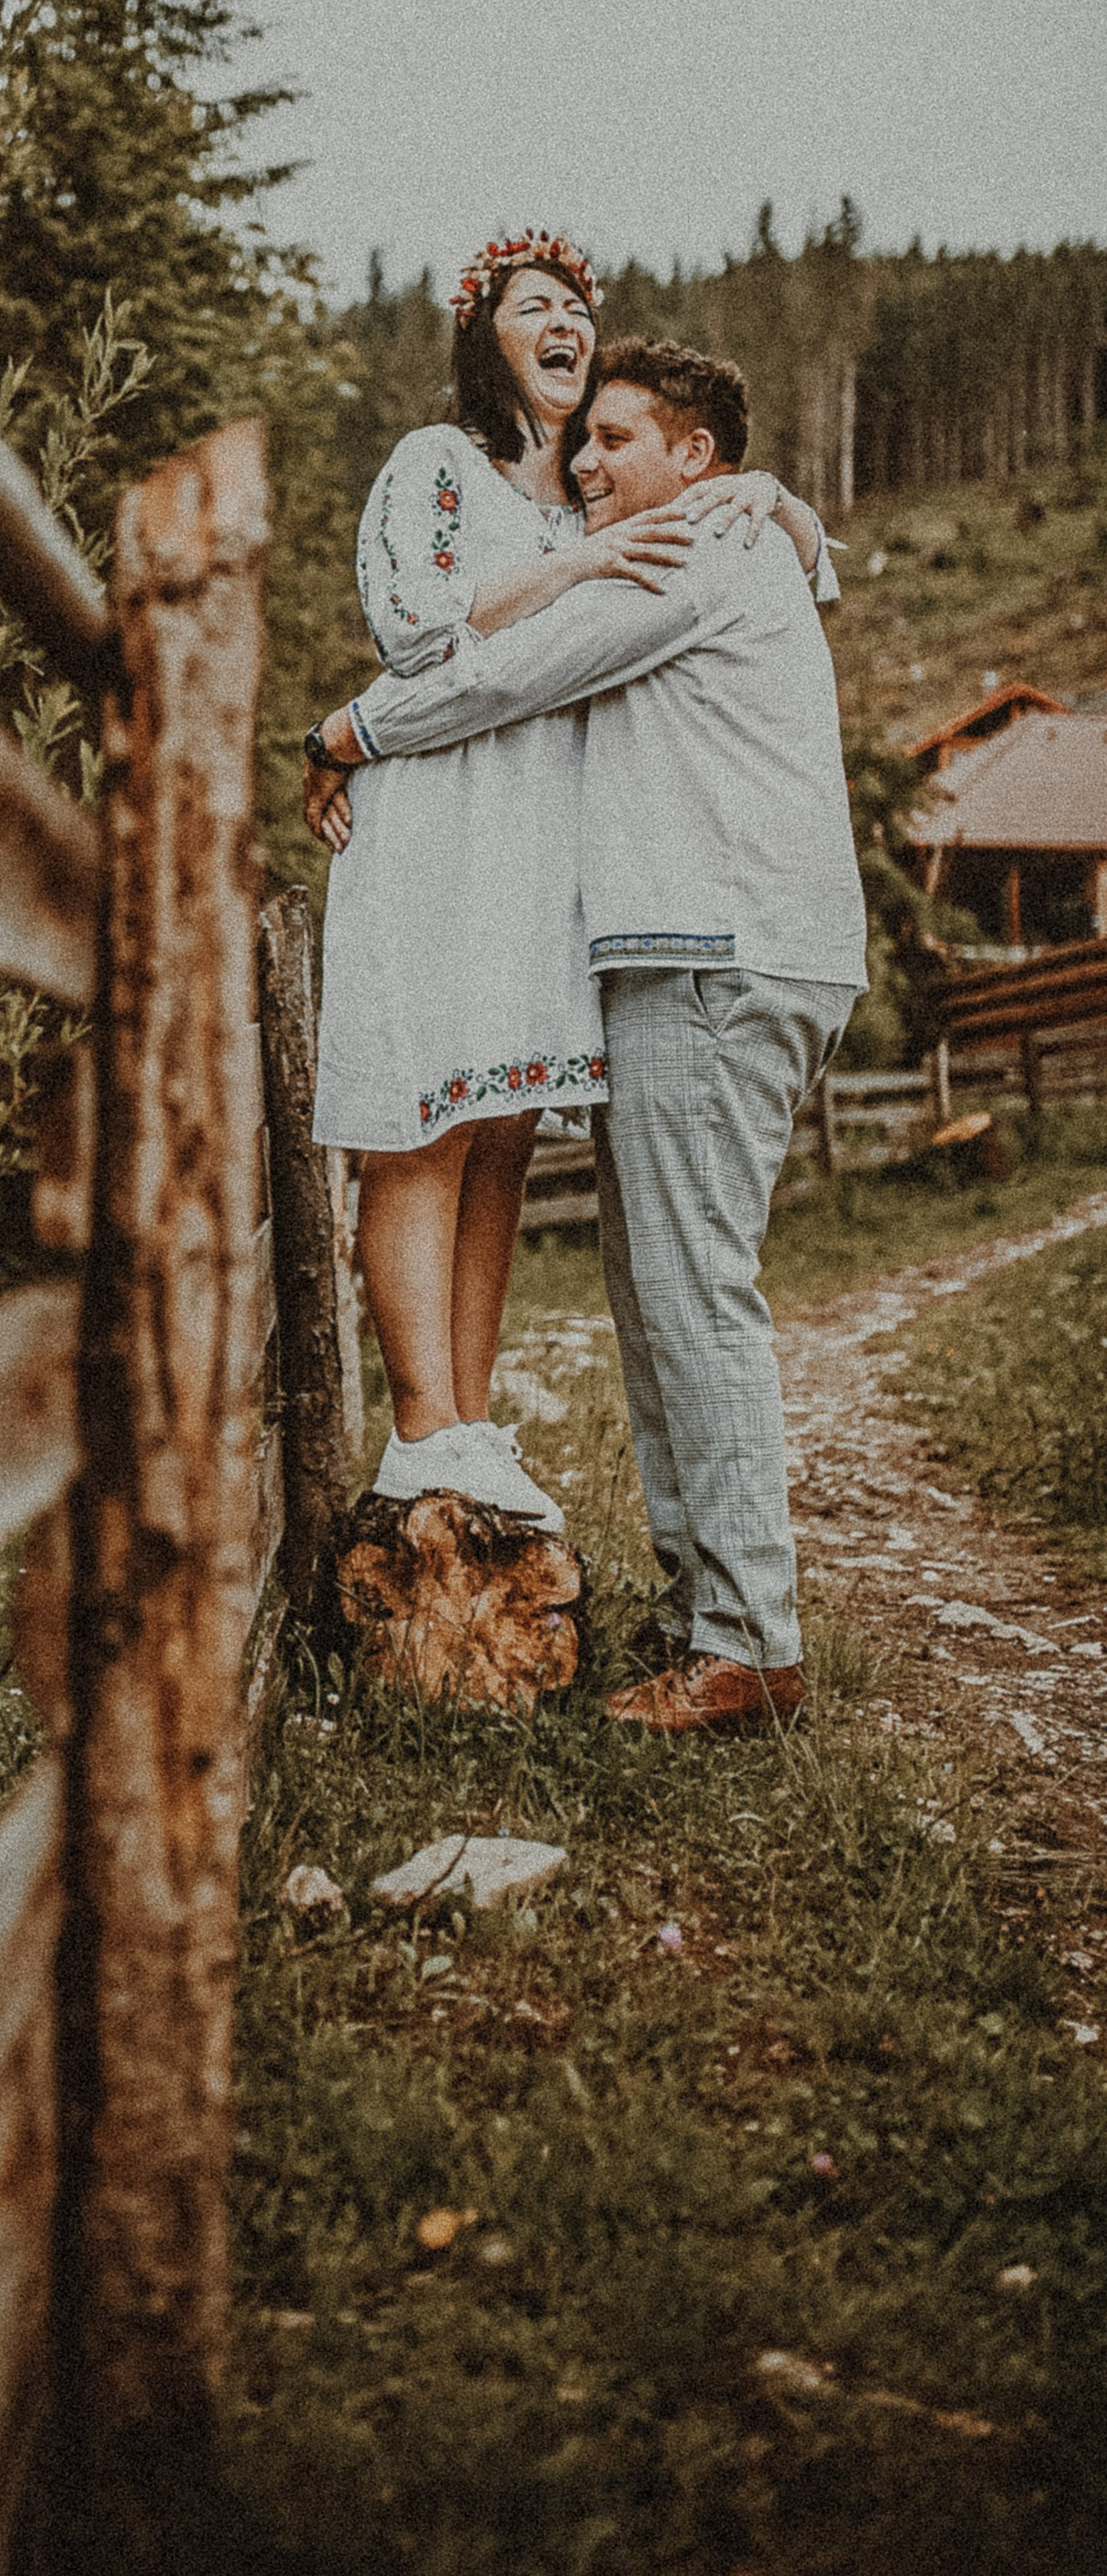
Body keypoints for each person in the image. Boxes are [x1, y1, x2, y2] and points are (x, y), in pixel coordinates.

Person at [308, 337, 866, 1734]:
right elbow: (815, 556)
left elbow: (518, 673)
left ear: (697, 458)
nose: (591, 462)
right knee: (664, 1291)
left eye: (619, 438)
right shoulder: (746, 537)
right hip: (717, 956)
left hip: (714, 959)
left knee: (692, 1294)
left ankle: (745, 1644)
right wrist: (795, 511)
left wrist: (347, 731)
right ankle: (706, 1624)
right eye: (587, 437)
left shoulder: (689, 548)